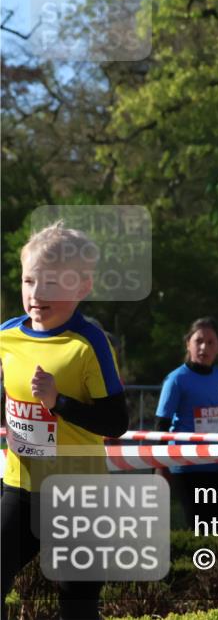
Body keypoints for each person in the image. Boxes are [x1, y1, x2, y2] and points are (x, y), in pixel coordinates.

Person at [1, 221, 129, 620]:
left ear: (81, 288)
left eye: (52, 283)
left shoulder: (89, 343)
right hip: (19, 489)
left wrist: (58, 402)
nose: (37, 294)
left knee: (77, 605)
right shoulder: (7, 335)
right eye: (29, 280)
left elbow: (116, 421)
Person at [155, 316, 218, 528]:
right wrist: (158, 467)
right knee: (198, 526)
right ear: (188, 344)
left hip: (215, 466)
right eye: (198, 341)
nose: (204, 347)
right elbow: (161, 425)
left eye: (211, 342)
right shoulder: (176, 379)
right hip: (186, 466)